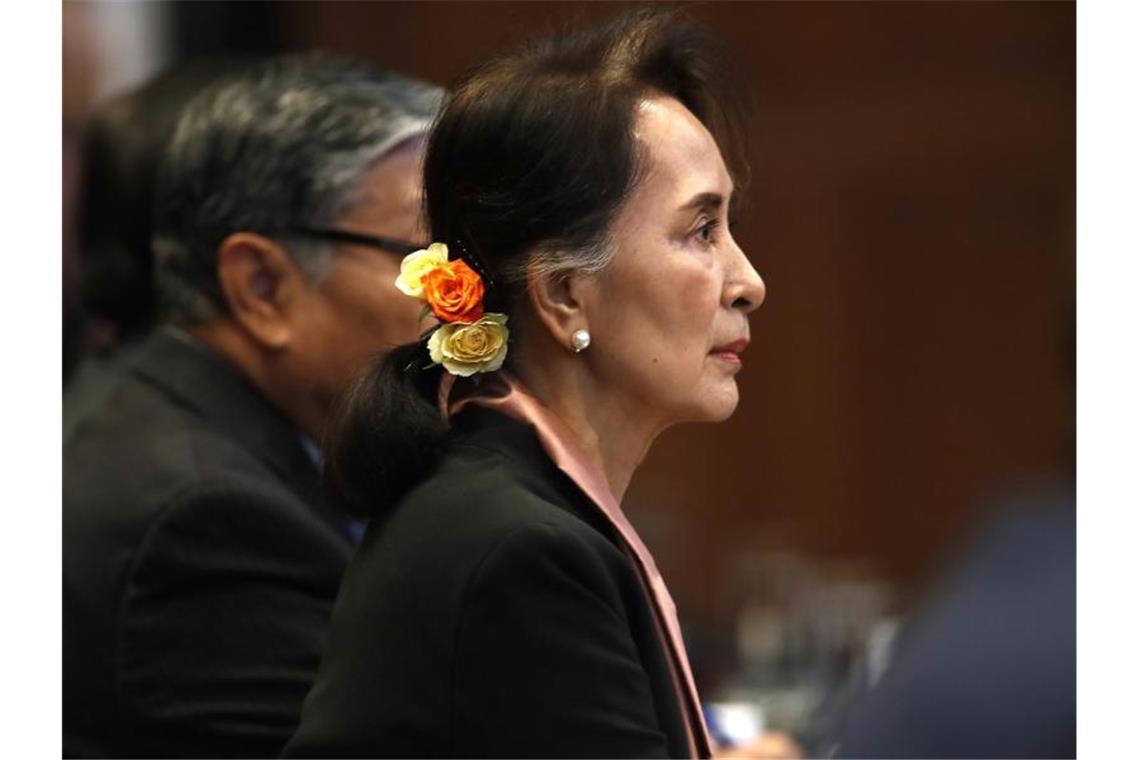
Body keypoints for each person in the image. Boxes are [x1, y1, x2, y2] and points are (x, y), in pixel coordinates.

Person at [285, 12, 766, 758]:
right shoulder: (519, 552)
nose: (749, 283)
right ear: (564, 294)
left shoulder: (511, 500)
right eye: (700, 232)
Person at [63, 54, 443, 757]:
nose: (463, 298)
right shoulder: (205, 518)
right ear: (262, 286)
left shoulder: (154, 399)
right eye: (424, 255)